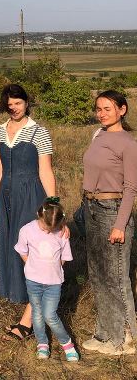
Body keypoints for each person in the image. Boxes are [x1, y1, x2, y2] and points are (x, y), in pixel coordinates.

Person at [0, 84, 58, 341]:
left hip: (30, 195)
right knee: (11, 247)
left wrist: (53, 204)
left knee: (32, 251)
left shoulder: (39, 132)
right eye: (9, 103)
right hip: (6, 196)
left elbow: (46, 170)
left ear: (27, 102)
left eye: (17, 102)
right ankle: (28, 302)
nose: (13, 107)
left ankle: (30, 317)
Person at [81, 90, 137, 356]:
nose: (101, 113)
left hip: (112, 210)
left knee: (116, 275)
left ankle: (126, 338)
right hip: (91, 207)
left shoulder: (128, 143)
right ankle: (105, 333)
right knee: (98, 274)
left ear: (122, 110)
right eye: (98, 109)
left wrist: (119, 224)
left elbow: (131, 188)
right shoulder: (98, 135)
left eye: (107, 108)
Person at [14, 198, 79, 362]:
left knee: (50, 315)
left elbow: (64, 256)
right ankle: (42, 343)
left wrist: (55, 268)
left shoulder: (62, 233)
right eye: (45, 227)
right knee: (36, 314)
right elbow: (22, 250)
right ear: (39, 215)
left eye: (53, 228)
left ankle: (67, 344)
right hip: (33, 281)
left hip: (53, 283)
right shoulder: (27, 230)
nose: (49, 231)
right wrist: (30, 264)